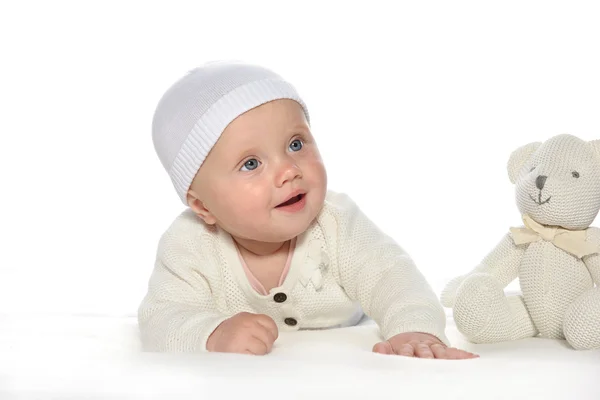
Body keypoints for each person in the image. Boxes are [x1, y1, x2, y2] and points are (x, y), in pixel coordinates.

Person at [138, 61, 477, 359]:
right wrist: (211, 335)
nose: (289, 170)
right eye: (251, 163)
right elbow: (161, 316)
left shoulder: (336, 222)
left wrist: (414, 329)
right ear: (202, 206)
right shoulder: (189, 245)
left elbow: (392, 276)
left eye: (295, 144)